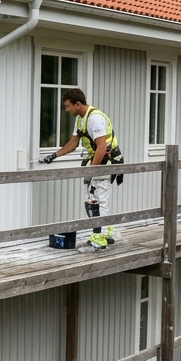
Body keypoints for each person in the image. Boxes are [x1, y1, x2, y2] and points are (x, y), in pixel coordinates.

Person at [42, 87, 122, 251]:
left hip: (106, 161)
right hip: (96, 162)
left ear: (77, 104)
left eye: (68, 106)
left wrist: (91, 171)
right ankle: (100, 233)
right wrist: (54, 155)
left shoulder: (95, 119)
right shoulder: (81, 119)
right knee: (92, 199)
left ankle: (101, 237)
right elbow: (73, 143)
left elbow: (101, 147)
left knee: (100, 198)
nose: (66, 109)